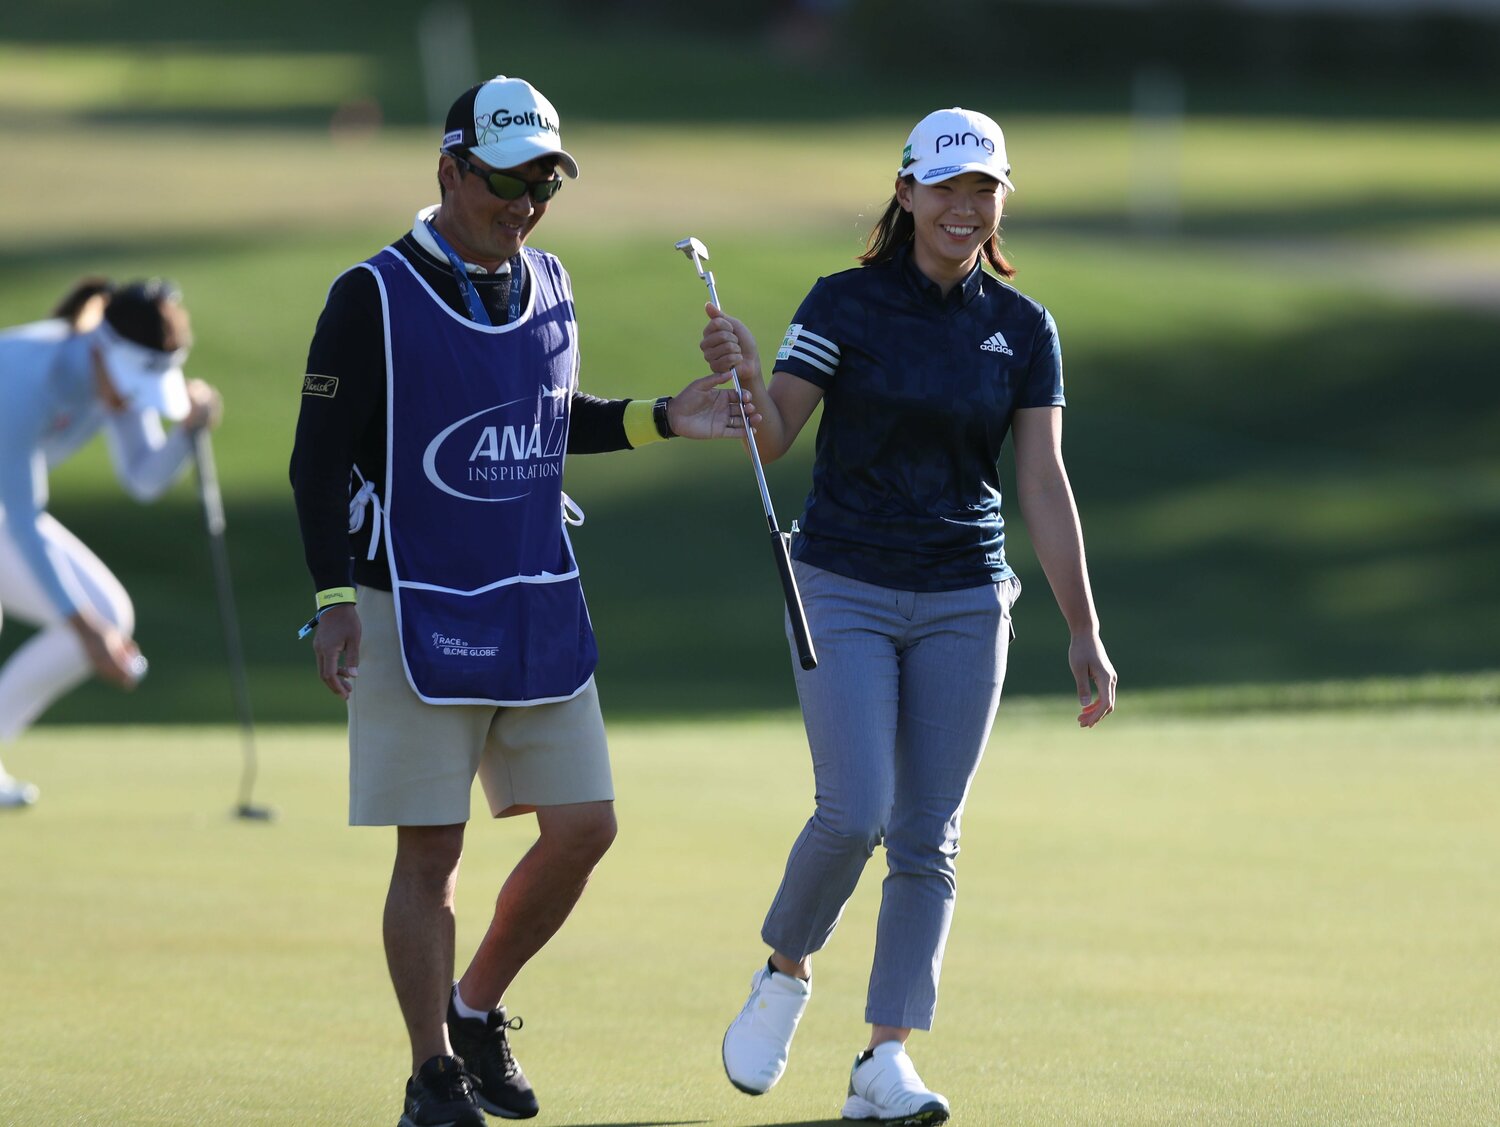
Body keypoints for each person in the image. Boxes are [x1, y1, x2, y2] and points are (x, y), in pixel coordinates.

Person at [288, 74, 756, 1127]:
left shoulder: (550, 278)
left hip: (534, 594)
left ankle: (475, 1005)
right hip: (409, 599)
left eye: (544, 182)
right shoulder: (370, 293)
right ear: (449, 171)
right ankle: (430, 1073)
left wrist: (664, 419)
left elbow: (551, 419)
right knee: (433, 852)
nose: (525, 204)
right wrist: (332, 599)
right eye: (505, 182)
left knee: (587, 825)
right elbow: (314, 462)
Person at [700, 107, 1118, 1125]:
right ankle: (787, 969)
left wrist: (1083, 627)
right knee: (854, 811)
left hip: (968, 595)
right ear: (906, 193)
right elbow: (775, 437)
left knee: (928, 835)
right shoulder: (841, 303)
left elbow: (1043, 483)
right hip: (841, 579)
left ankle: (884, 1057)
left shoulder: (1023, 329)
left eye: (983, 189)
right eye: (946, 188)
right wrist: (745, 380)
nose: (964, 207)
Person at [0, 278, 222, 809]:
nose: (130, 401)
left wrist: (189, 431)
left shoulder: (117, 375)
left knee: (108, 614)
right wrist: (84, 629)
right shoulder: (26, 376)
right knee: (88, 622)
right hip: (10, 511)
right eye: (131, 388)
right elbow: (23, 518)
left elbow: (143, 479)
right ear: (104, 347)